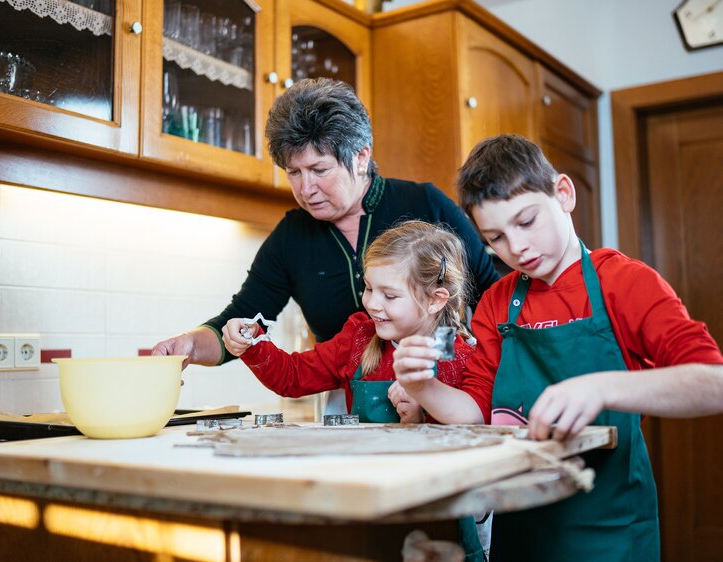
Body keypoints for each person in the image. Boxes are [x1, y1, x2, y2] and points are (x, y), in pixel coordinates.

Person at [392, 134, 723, 562]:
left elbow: (713, 383)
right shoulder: (497, 301)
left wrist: (602, 389)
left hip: (610, 529)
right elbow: (476, 411)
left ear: (563, 194)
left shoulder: (623, 282)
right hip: (522, 527)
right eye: (497, 237)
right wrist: (421, 387)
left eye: (527, 222)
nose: (517, 248)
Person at [152, 79, 499, 384]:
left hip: (443, 380)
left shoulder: (425, 203)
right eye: (294, 172)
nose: (306, 189)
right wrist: (190, 344)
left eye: (319, 169)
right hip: (341, 396)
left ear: (361, 157)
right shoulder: (292, 236)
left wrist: (471, 368)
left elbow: (492, 296)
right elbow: (241, 318)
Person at [222, 220, 489, 426]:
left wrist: (421, 418)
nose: (372, 303)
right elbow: (292, 376)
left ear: (435, 300)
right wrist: (252, 342)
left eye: (390, 295)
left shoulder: (461, 358)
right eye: (369, 288)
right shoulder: (359, 337)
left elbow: (472, 431)